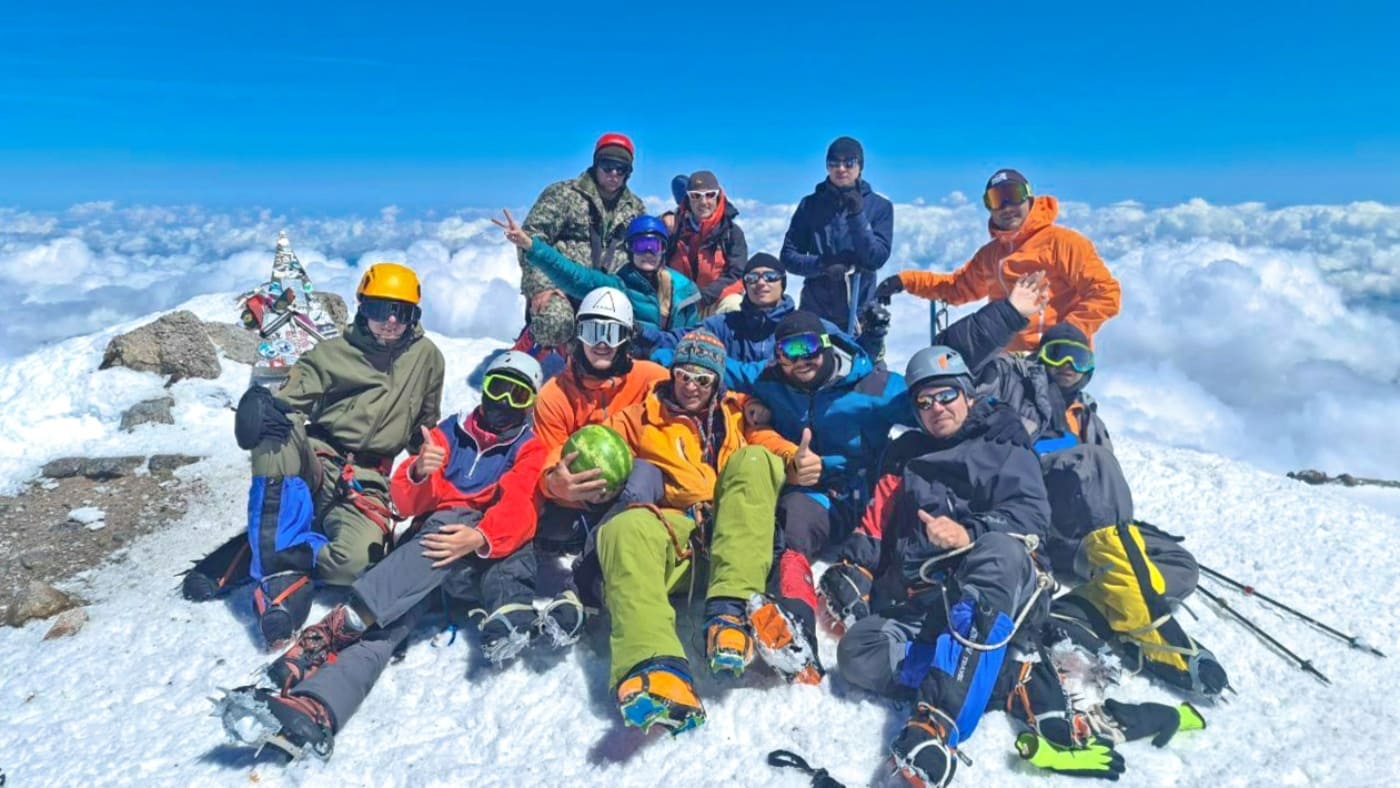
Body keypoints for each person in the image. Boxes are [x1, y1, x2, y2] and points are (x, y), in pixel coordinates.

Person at [215, 352, 546, 760]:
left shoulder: (529, 448)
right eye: (499, 389)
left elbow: (520, 508)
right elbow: (404, 500)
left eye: (518, 396)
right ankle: (316, 707)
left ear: (530, 403)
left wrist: (477, 537)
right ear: (485, 388)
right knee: (387, 628)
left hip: (475, 556)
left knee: (451, 523)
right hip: (425, 557)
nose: (504, 404)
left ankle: (334, 627)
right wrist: (421, 472)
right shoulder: (450, 432)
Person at [821, 346, 1122, 786]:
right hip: (925, 599)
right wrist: (857, 569)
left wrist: (970, 533)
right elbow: (878, 521)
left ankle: (935, 729)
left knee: (998, 549)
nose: (936, 409)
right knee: (859, 653)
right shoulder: (906, 455)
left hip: (1000, 588)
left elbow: (1031, 515)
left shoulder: (1003, 443)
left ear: (967, 394)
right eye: (924, 403)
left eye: (945, 396)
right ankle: (1012, 679)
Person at [181, 263, 445, 647]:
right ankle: (279, 584)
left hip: (367, 479)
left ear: (414, 317)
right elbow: (287, 400)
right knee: (275, 431)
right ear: (362, 307)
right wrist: (260, 405)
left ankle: (265, 544)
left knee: (355, 566)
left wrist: (427, 460)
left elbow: (425, 426)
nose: (389, 321)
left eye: (401, 313)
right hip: (318, 459)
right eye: (378, 309)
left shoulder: (428, 359)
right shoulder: (332, 353)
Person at [588, 330, 816, 735]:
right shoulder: (642, 417)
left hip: (739, 538)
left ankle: (730, 616)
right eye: (684, 376)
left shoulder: (740, 415)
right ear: (673, 374)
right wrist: (560, 475)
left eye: (703, 379)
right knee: (625, 527)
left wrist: (798, 464)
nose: (691, 386)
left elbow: (775, 448)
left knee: (753, 459)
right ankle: (655, 666)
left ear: (717, 382)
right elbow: (592, 441)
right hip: (686, 536)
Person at [981, 322, 1228, 696]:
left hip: (1082, 537)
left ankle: (1079, 610)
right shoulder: (1014, 383)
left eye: (1076, 358)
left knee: (1181, 567)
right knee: (1095, 460)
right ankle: (1155, 633)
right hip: (1035, 522)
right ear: (1038, 356)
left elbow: (1104, 492)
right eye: (1055, 353)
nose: (1066, 364)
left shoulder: (1088, 418)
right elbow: (970, 382)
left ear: (1089, 368)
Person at [528, 287, 670, 646]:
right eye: (593, 332)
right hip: (580, 500)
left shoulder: (652, 377)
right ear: (578, 334)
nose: (602, 344)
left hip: (639, 491)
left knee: (645, 472)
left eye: (613, 332)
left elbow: (696, 397)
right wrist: (552, 485)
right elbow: (546, 454)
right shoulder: (554, 394)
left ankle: (583, 585)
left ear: (627, 339)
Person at [874, 168, 1121, 352]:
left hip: (1057, 359)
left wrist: (1070, 331)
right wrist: (904, 281)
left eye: (1012, 196)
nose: (1005, 207)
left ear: (1029, 198)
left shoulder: (1063, 243)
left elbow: (1105, 293)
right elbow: (957, 288)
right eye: (995, 200)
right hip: (1005, 360)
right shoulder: (991, 255)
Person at [516, 132, 646, 353]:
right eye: (607, 166)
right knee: (555, 323)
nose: (613, 174)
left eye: (621, 169)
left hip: (607, 292)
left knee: (631, 335)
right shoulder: (563, 194)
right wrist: (541, 287)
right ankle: (527, 346)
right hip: (560, 287)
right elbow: (531, 239)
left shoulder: (635, 209)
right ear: (596, 164)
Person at [497, 210, 701, 341]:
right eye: (641, 245)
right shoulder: (617, 286)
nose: (648, 252)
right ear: (630, 250)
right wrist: (531, 246)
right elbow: (574, 275)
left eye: (654, 245)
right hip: (632, 368)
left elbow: (690, 336)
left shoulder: (683, 290)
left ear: (663, 249)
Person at [780, 136, 893, 336]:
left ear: (860, 166)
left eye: (849, 162)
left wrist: (857, 216)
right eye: (834, 162)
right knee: (809, 364)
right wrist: (823, 265)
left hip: (860, 315)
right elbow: (788, 257)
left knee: (864, 367)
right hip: (815, 312)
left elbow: (876, 258)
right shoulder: (810, 205)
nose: (841, 168)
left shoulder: (880, 207)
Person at [665, 169, 748, 315]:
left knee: (734, 305)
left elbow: (736, 274)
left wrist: (704, 297)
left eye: (709, 195)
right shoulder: (674, 230)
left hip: (715, 301)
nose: (703, 202)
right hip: (680, 302)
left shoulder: (731, 233)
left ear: (718, 196)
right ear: (688, 199)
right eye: (696, 196)